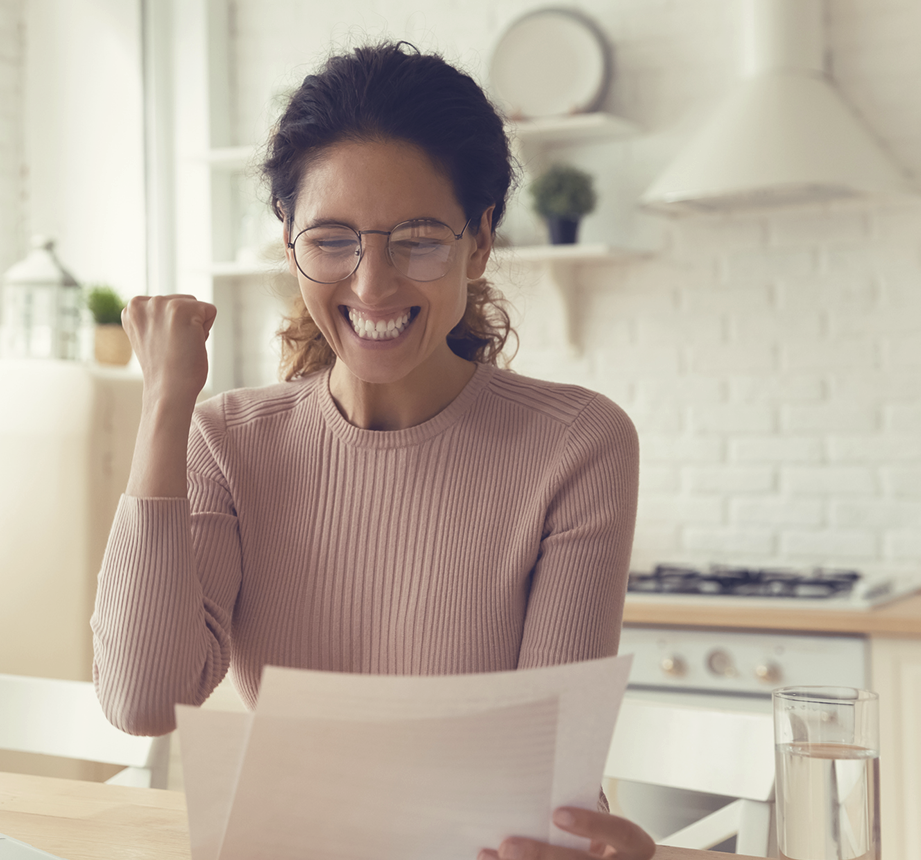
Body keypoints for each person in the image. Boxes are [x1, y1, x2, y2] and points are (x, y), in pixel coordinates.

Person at [90, 41, 652, 860]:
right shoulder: (229, 441)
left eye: (419, 239)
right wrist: (166, 404)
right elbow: (142, 700)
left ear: (481, 239)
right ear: (290, 243)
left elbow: (548, 781)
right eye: (333, 239)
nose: (373, 284)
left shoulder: (577, 445)